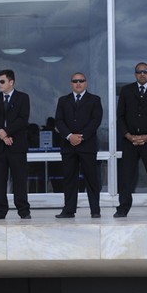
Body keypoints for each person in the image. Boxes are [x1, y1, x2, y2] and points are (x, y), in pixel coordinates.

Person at [114, 62, 147, 218]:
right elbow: (120, 116)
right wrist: (129, 136)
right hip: (130, 141)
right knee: (126, 177)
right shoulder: (126, 90)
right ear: (135, 74)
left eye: (145, 72)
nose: (142, 74)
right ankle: (123, 208)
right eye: (139, 72)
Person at [54, 72, 103, 218]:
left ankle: (95, 210)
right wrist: (70, 136)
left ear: (86, 83)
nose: (78, 83)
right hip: (69, 147)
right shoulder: (63, 100)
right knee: (69, 179)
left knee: (91, 179)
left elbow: (96, 120)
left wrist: (81, 137)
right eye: (75, 81)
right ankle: (69, 210)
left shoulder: (94, 100)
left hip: (87, 146)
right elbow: (59, 121)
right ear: (71, 83)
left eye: (81, 81)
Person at [0, 69, 31, 219]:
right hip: (0, 146)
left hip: (17, 146)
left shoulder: (23, 98)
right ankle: (0, 210)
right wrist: (1, 133)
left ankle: (23, 210)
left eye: (2, 81)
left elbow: (22, 119)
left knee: (19, 179)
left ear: (11, 82)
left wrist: (6, 132)